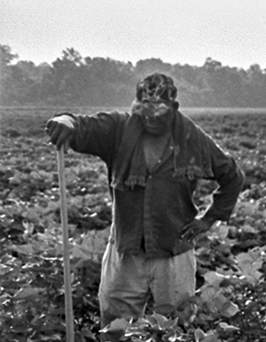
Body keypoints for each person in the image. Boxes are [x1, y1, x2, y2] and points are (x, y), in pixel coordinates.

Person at [45, 72, 245, 328]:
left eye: (157, 115)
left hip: (173, 249)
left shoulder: (193, 139)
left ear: (173, 108)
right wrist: (65, 122)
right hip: (126, 247)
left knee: (177, 325)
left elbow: (233, 176)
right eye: (144, 113)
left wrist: (208, 219)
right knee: (115, 325)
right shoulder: (118, 129)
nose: (149, 120)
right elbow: (81, 125)